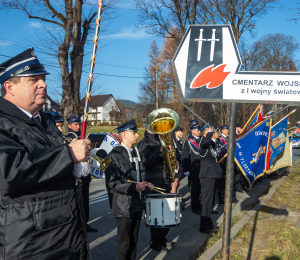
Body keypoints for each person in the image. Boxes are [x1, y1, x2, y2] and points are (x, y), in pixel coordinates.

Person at [0, 48, 91, 259]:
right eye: (34, 80)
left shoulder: (46, 121)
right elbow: (8, 174)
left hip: (66, 239)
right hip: (32, 246)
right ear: (9, 87)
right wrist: (67, 155)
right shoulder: (4, 123)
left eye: (43, 78)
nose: (44, 84)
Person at [105, 120, 150, 260]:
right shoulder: (114, 155)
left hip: (136, 203)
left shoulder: (136, 152)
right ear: (124, 134)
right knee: (124, 243)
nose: (137, 136)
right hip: (123, 205)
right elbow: (112, 183)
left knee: (133, 241)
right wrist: (133, 187)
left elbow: (140, 173)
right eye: (134, 133)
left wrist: (146, 183)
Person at [138, 128, 172, 253]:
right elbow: (146, 161)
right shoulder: (144, 143)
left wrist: (175, 160)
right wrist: (159, 151)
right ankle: (155, 242)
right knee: (156, 215)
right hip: (153, 182)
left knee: (166, 213)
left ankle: (162, 238)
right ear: (148, 128)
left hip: (165, 180)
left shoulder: (161, 139)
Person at [66, 115, 98, 232]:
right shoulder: (69, 137)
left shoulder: (82, 137)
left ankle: (85, 223)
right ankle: (78, 226)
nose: (77, 126)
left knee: (85, 201)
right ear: (69, 126)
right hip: (74, 174)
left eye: (79, 124)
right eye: (75, 124)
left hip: (85, 174)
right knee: (76, 202)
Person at [199, 127, 222, 234]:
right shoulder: (203, 142)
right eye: (214, 132)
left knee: (210, 202)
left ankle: (209, 223)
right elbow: (205, 142)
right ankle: (204, 227)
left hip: (212, 175)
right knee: (206, 202)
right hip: (206, 176)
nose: (217, 133)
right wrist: (208, 133)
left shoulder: (212, 143)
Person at [181, 119, 202, 215]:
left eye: (200, 130)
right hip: (194, 167)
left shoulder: (200, 139)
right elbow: (185, 156)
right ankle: (195, 207)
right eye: (198, 130)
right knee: (195, 188)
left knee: (200, 187)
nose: (199, 131)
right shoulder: (188, 142)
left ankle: (199, 203)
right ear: (192, 130)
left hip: (202, 167)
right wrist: (185, 169)